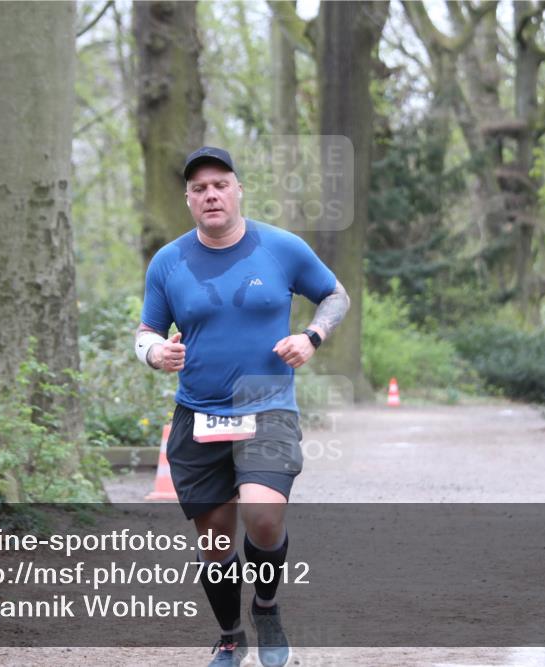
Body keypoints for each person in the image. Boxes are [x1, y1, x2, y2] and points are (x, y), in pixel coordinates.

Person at [134, 147, 350, 666]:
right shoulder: (169, 261)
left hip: (267, 403)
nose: (211, 194)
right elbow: (146, 331)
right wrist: (155, 352)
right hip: (198, 411)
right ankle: (231, 636)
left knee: (263, 515)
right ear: (188, 200)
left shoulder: (280, 247)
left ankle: (268, 609)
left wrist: (313, 336)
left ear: (238, 190)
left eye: (220, 184)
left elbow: (335, 295)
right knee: (215, 542)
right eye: (199, 188)